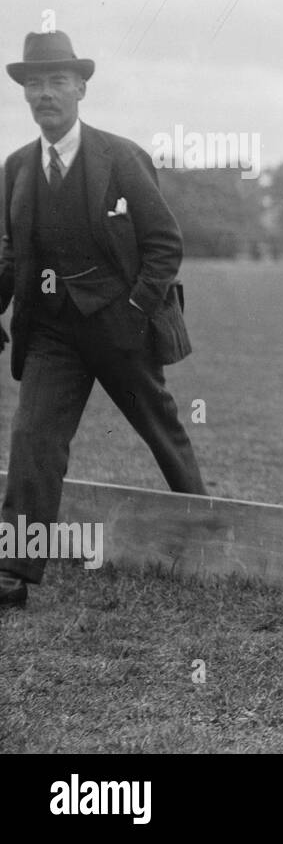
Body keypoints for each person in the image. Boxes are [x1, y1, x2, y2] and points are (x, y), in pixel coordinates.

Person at [0, 31, 205, 607]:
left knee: (163, 435)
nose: (46, 94)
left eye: (57, 82)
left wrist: (136, 309)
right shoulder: (16, 168)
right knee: (33, 438)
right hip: (51, 335)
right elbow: (11, 256)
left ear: (81, 88)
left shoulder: (121, 156)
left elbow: (165, 243)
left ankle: (215, 539)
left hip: (122, 329)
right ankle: (14, 571)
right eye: (34, 84)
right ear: (25, 94)